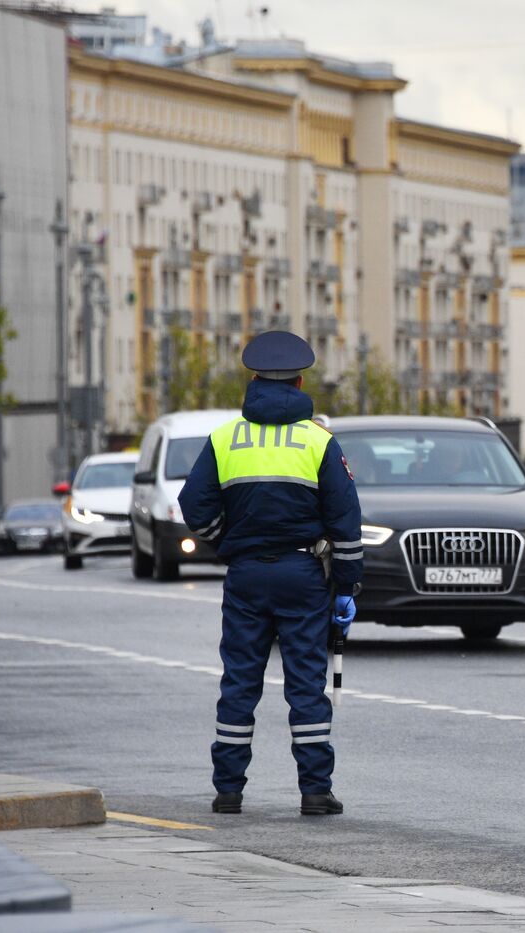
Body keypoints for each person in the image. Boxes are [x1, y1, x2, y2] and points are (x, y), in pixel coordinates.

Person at [178, 331, 362, 817]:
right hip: (302, 573)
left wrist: (226, 536)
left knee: (240, 681)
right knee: (306, 683)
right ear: (301, 381)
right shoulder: (317, 441)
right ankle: (315, 791)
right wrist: (346, 585)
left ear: (253, 380)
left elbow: (192, 505)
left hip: (245, 575)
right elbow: (345, 519)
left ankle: (228, 791)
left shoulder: (225, 438)